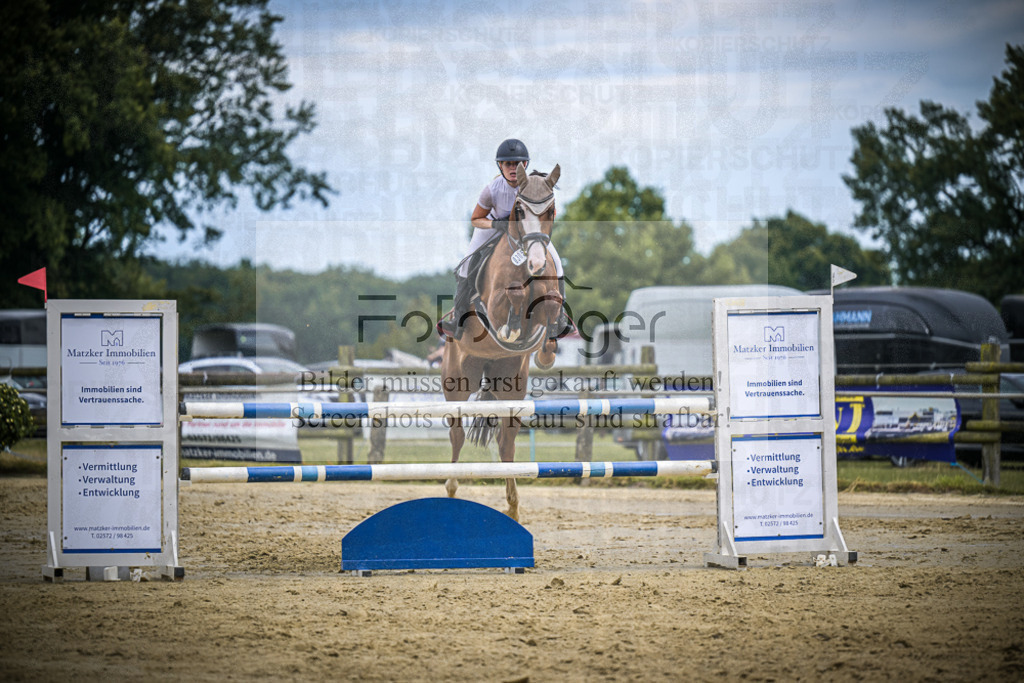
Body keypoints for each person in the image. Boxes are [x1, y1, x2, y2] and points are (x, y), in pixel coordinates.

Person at [439, 138, 570, 340]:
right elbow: (476, 219)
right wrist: (495, 224)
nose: (513, 168)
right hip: (493, 228)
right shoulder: (492, 189)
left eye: (517, 163)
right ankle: (459, 318)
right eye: (508, 164)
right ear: (500, 166)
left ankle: (560, 318)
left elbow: (549, 210)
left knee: (558, 263)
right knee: (466, 266)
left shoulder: (534, 185)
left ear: (525, 164)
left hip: (528, 231)